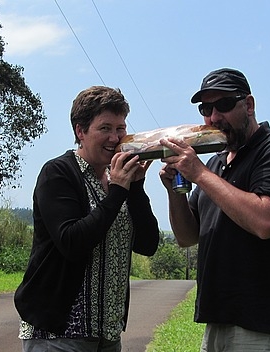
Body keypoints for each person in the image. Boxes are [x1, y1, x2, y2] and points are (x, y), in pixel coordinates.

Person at [158, 68, 270, 351]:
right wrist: (175, 192)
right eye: (206, 108)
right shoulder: (216, 164)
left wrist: (200, 175)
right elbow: (187, 236)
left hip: (264, 326)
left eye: (225, 105)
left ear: (249, 105)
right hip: (218, 320)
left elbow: (266, 221)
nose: (214, 117)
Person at [14, 85, 161, 352]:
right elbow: (72, 241)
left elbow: (148, 244)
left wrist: (136, 188)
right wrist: (117, 192)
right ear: (80, 131)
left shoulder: (118, 180)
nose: (115, 138)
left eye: (120, 128)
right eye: (105, 128)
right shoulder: (58, 173)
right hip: (58, 334)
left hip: (107, 334)